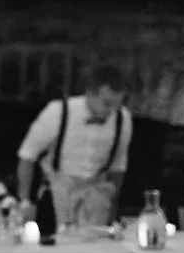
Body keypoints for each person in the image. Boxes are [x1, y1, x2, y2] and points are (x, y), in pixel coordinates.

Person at [15, 64, 133, 227]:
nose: (112, 110)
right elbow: (27, 155)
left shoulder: (123, 118)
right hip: (59, 188)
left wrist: (113, 208)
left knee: (95, 241)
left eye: (117, 105)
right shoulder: (57, 111)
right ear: (90, 94)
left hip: (96, 194)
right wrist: (25, 201)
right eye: (107, 104)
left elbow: (118, 166)